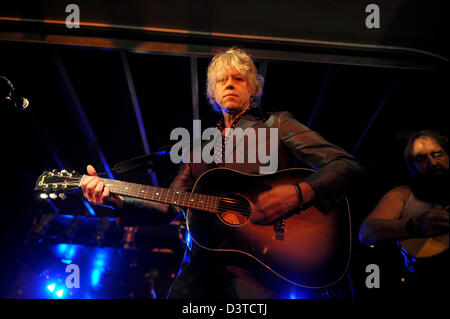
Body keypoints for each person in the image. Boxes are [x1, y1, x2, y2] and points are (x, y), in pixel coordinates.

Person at [81, 46, 365, 299]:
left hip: (261, 271)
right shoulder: (197, 148)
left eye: (239, 78)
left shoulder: (278, 124)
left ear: (253, 89)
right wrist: (115, 200)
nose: (230, 84)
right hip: (198, 272)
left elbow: (347, 166)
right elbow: (169, 204)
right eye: (222, 80)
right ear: (212, 93)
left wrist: (297, 193)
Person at [359, 130, 449, 297]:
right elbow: (366, 232)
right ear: (411, 166)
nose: (432, 163)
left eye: (437, 154)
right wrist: (415, 225)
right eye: (421, 159)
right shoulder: (403, 194)